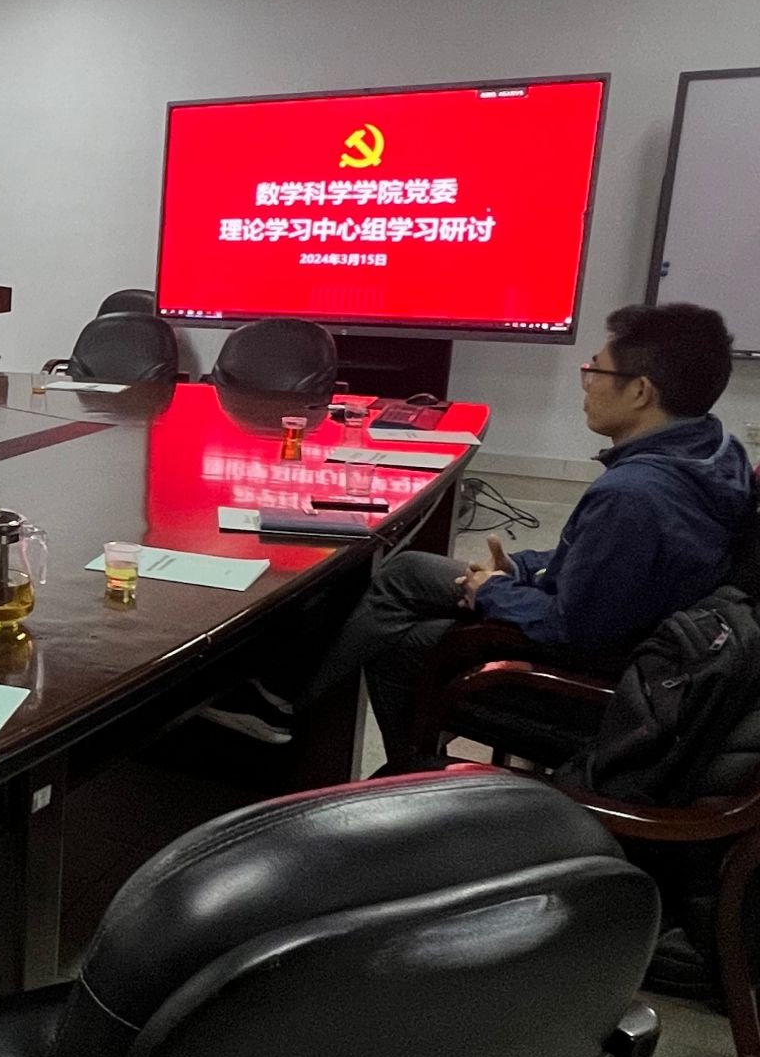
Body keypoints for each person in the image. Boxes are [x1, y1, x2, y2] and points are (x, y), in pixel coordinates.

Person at [217, 304, 754, 767]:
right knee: (406, 572)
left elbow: (572, 630)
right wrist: (519, 567)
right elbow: (606, 563)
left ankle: (410, 772)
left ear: (639, 391)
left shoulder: (634, 495)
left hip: (601, 673)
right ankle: (283, 698)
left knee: (404, 644)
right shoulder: (716, 450)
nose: (588, 382)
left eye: (596, 370)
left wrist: (494, 591)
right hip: (639, 629)